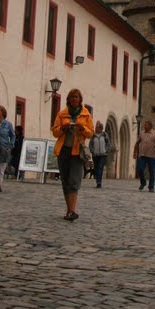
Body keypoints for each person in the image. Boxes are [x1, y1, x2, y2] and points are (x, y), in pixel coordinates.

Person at [52, 88, 94, 221]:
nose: (74, 99)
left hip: (77, 152)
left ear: (80, 100)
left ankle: (72, 211)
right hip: (63, 150)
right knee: (65, 180)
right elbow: (55, 132)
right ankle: (69, 210)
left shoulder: (86, 115)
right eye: (72, 97)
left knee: (74, 181)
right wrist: (63, 128)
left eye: (76, 97)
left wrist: (82, 128)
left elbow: (90, 133)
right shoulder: (62, 114)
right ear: (68, 99)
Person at [133, 119, 155, 192]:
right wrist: (134, 152)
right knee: (140, 170)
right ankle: (143, 182)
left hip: (152, 156)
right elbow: (137, 143)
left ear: (150, 126)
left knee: (152, 172)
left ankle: (151, 187)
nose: (144, 126)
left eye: (146, 125)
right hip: (142, 155)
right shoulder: (142, 133)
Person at [89, 122, 111, 188]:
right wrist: (92, 150)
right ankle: (98, 180)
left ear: (101, 129)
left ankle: (99, 182)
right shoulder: (93, 135)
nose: (97, 129)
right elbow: (90, 144)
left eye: (98, 128)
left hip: (103, 154)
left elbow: (108, 143)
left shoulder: (104, 135)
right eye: (96, 128)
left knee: (100, 167)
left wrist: (106, 150)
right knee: (96, 168)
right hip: (95, 155)